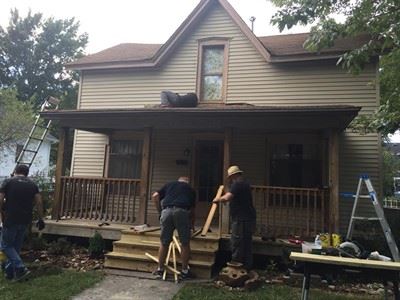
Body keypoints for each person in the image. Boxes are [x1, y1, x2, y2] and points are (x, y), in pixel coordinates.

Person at [0, 164, 45, 281]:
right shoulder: (32, 184)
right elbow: (39, 202)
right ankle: (10, 273)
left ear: (15, 171)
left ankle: (21, 268)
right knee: (15, 247)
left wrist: (1, 212)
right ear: (27, 173)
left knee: (5, 245)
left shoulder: (8, 182)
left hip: (11, 217)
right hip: (25, 219)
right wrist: (41, 218)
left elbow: (0, 198)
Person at [152, 176, 196, 279]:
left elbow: (155, 196)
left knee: (164, 242)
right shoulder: (190, 190)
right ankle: (185, 271)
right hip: (182, 211)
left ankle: (160, 270)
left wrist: (160, 211)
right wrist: (192, 225)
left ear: (178, 181)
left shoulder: (169, 184)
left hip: (166, 211)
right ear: (187, 183)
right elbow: (193, 211)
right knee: (185, 243)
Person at [213, 165, 256, 270]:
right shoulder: (245, 184)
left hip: (241, 219)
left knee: (237, 242)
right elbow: (232, 195)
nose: (230, 179)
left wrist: (217, 199)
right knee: (246, 243)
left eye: (231, 176)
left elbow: (228, 196)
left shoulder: (237, 184)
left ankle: (235, 267)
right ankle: (246, 267)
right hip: (248, 217)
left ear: (235, 175)